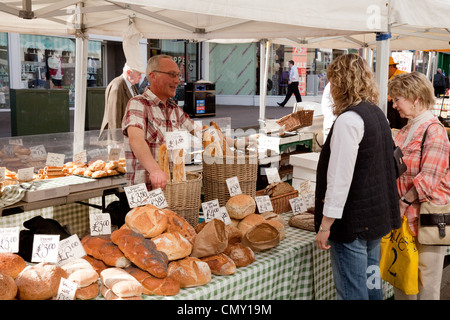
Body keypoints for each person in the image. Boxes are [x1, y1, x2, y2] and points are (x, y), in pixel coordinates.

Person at [314, 53, 401, 300]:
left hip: (351, 224)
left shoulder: (348, 120)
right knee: (372, 286)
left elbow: (339, 180)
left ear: (339, 83)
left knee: (353, 292)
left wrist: (325, 225)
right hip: (375, 219)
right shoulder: (378, 114)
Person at [388, 71, 450, 300]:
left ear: (415, 97)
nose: (394, 105)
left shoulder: (435, 131)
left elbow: (430, 178)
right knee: (402, 280)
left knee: (426, 287)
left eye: (397, 99)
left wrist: (403, 202)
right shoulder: (405, 130)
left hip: (427, 220)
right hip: (404, 221)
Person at [122, 55, 195, 190]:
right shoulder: (138, 104)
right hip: (144, 191)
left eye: (178, 75)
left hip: (171, 190)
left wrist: (238, 143)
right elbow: (135, 140)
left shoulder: (174, 109)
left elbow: (200, 131)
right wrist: (155, 170)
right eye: (172, 75)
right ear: (153, 76)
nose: (177, 80)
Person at [99, 63, 143, 138]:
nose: (140, 77)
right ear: (128, 72)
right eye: (139, 74)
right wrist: (118, 139)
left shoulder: (131, 85)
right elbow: (114, 116)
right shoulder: (117, 86)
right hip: (118, 138)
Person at [387, 56, 408, 129]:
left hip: (401, 108)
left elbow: (408, 92)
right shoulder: (387, 77)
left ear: (392, 66)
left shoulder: (403, 75)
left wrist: (392, 96)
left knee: (401, 128)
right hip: (392, 108)